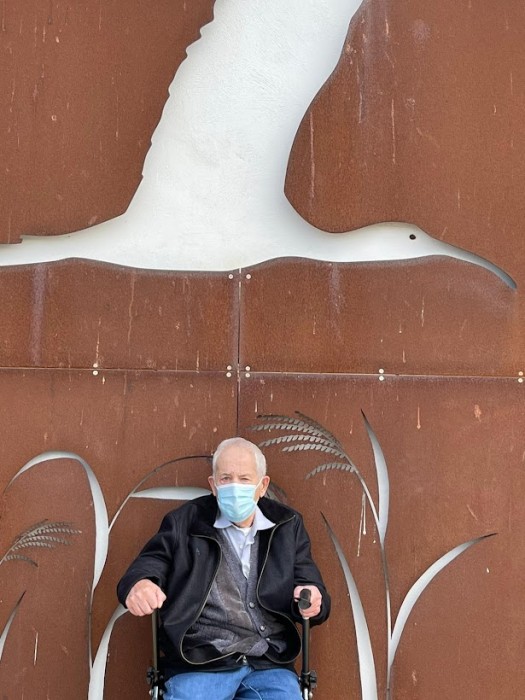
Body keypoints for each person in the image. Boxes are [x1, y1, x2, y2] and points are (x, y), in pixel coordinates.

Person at [117, 436, 330, 700]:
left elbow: (312, 587)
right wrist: (140, 584)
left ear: (263, 485)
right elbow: (149, 564)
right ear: (213, 485)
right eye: (226, 478)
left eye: (244, 479)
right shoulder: (184, 521)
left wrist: (314, 599)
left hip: (268, 660)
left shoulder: (288, 525)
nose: (234, 487)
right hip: (201, 659)